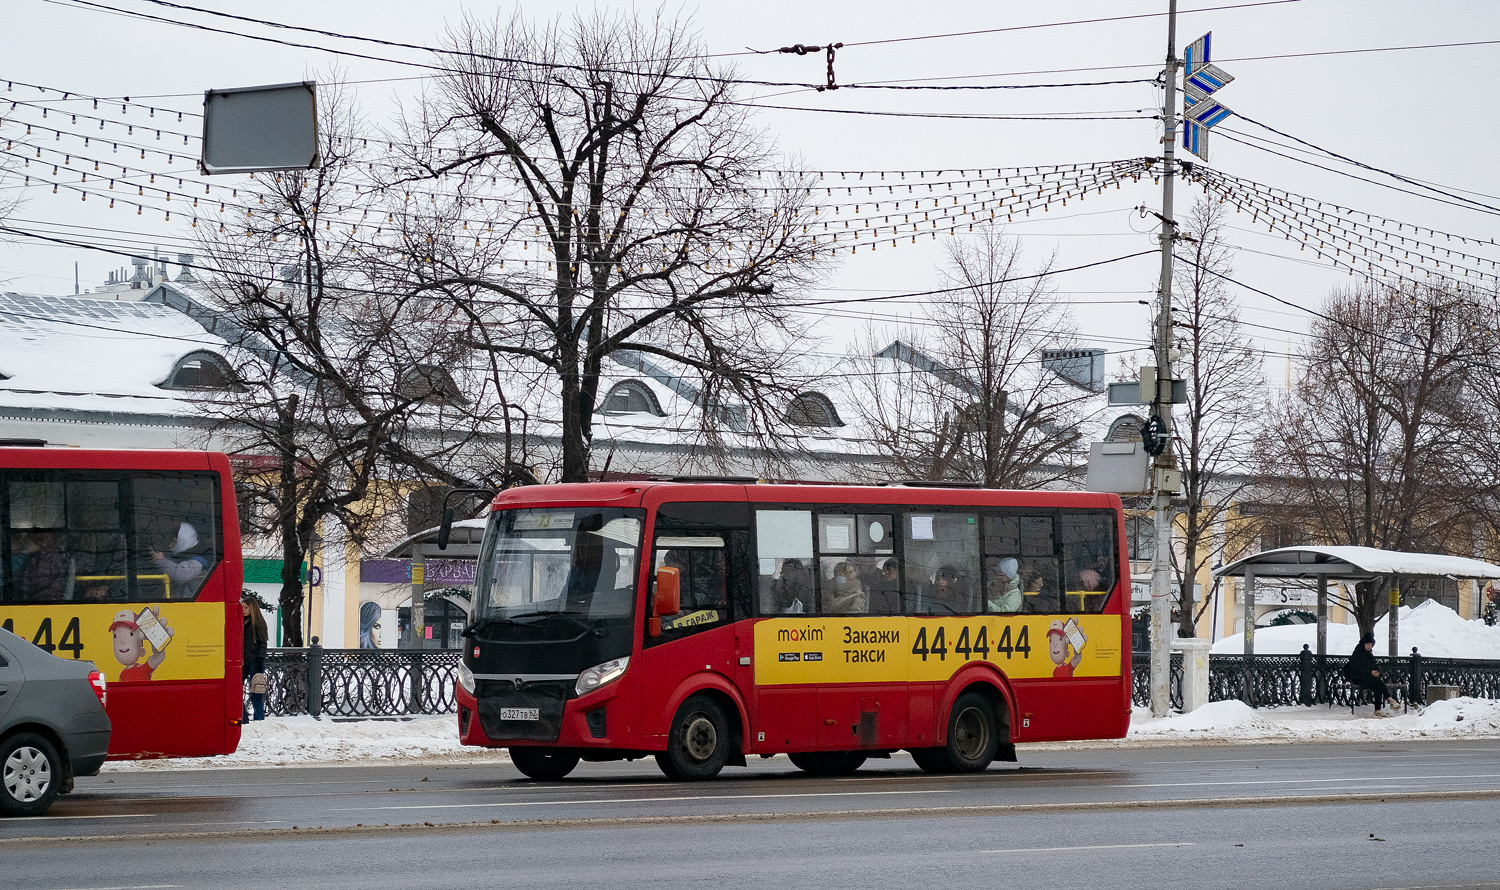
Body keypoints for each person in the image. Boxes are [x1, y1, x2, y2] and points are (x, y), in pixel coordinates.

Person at [1344, 632, 1399, 716]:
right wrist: (1370, 672)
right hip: (1357, 677)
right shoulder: (1357, 653)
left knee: (1378, 687)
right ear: (1364, 644)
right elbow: (1356, 669)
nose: (1369, 646)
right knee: (1378, 683)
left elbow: (1373, 665)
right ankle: (1390, 699)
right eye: (1368, 644)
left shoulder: (1369, 654)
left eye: (1371, 645)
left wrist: (1376, 671)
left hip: (1368, 677)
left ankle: (1378, 710)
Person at [151, 522, 211, 597]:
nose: (170, 545)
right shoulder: (183, 558)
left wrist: (161, 561)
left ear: (184, 540)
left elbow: (181, 574)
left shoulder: (199, 561)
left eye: (174, 542)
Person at [242, 593, 269, 721]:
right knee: (236, 690)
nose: (243, 610)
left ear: (252, 608)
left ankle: (259, 719)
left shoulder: (258, 624)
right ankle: (243, 717)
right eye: (242, 607)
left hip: (255, 662)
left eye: (246, 607)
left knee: (256, 692)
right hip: (242, 662)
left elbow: (263, 644)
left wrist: (259, 661)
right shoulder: (241, 623)